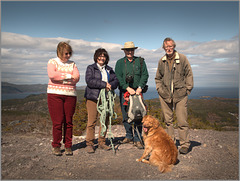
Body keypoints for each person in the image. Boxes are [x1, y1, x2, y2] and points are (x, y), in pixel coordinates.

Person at [155, 37, 194, 154]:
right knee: (168, 121)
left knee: (182, 121)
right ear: (164, 48)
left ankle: (184, 144)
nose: (169, 48)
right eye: (166, 46)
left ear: (174, 46)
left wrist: (187, 89)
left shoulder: (182, 58)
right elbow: (158, 78)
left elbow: (189, 74)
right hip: (165, 95)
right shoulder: (161, 61)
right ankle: (170, 143)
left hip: (180, 95)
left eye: (170, 46)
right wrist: (159, 89)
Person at [47, 41, 80, 156]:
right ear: (60, 52)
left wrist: (60, 77)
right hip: (54, 95)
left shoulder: (72, 64)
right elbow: (52, 75)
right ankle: (56, 145)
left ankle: (68, 146)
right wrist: (68, 76)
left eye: (70, 53)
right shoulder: (52, 62)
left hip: (70, 95)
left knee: (68, 121)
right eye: (66, 53)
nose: (68, 56)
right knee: (57, 121)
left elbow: (77, 77)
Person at [115, 41, 149, 149]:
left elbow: (145, 75)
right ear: (124, 51)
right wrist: (127, 87)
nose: (130, 52)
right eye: (127, 50)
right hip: (125, 91)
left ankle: (138, 138)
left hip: (138, 92)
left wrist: (140, 87)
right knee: (126, 114)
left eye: (131, 50)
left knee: (138, 115)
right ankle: (129, 135)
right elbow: (118, 77)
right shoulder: (120, 63)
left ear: (134, 50)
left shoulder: (140, 61)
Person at [84, 48, 119, 154]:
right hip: (93, 98)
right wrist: (104, 84)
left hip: (106, 99)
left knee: (104, 120)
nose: (101, 58)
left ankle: (102, 141)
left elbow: (116, 81)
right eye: (100, 56)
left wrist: (110, 85)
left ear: (106, 58)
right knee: (92, 121)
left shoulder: (109, 69)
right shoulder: (91, 68)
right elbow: (89, 81)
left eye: (103, 56)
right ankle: (90, 143)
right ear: (96, 57)